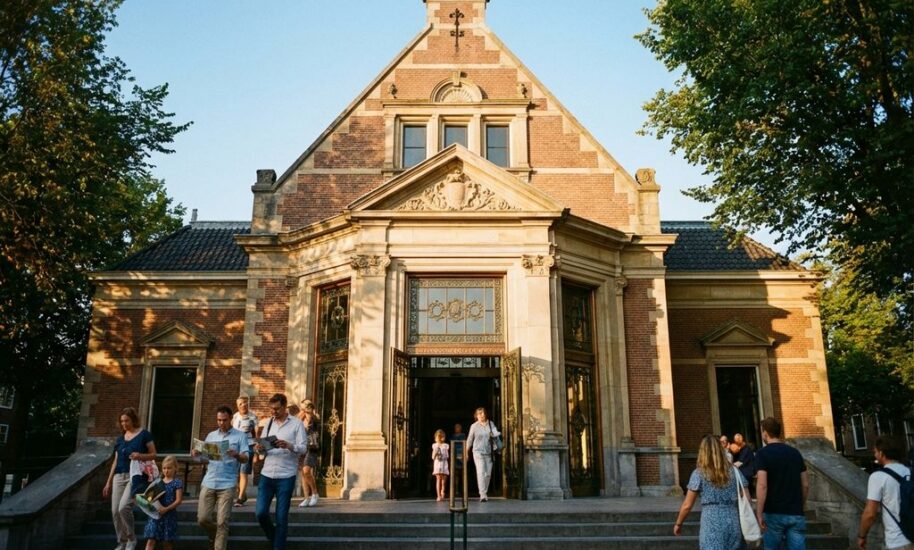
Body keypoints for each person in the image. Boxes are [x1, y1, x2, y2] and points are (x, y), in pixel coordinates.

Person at [673, 435, 749, 549]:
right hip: (733, 520)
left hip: (710, 524)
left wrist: (678, 523)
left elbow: (687, 505)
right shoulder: (734, 471)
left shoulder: (699, 473)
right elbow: (746, 497)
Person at [255, 393, 306, 550]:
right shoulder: (269, 423)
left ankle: (278, 546)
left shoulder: (297, 424)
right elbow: (263, 447)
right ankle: (274, 536)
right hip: (267, 473)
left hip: (286, 475)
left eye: (277, 409)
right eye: (271, 409)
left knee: (281, 517)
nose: (273, 412)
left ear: (285, 407)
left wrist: (289, 445)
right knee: (261, 513)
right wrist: (259, 448)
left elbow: (303, 448)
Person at [194, 405, 249, 550]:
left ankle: (219, 543)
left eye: (224, 420)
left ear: (231, 419)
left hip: (228, 483)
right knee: (202, 519)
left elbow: (246, 458)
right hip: (209, 481)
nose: (221, 423)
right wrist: (197, 455)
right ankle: (215, 533)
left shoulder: (240, 436)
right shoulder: (211, 436)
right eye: (219, 420)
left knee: (222, 521)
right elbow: (205, 460)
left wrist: (236, 454)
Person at [102, 407, 157, 550]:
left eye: (126, 420)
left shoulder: (144, 434)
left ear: (133, 419)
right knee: (115, 511)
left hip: (135, 476)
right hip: (118, 476)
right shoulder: (120, 439)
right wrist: (108, 482)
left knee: (123, 508)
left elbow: (153, 454)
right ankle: (121, 542)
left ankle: (132, 539)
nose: (124, 424)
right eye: (122, 421)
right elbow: (115, 461)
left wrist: (140, 455)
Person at [755, 417, 809, 550]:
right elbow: (806, 484)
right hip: (795, 512)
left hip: (773, 513)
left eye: (762, 432)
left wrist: (759, 513)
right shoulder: (795, 453)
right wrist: (799, 505)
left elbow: (762, 485)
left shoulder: (762, 454)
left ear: (765, 433)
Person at [857, 436, 913, 549]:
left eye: (875, 452)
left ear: (881, 453)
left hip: (897, 541)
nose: (875, 455)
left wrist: (862, 536)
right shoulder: (909, 471)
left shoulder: (878, 476)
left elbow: (870, 513)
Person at [143, 455, 183, 550]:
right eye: (164, 468)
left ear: (175, 468)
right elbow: (149, 498)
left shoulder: (177, 483)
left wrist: (166, 509)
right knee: (151, 540)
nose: (166, 471)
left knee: (167, 543)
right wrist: (145, 501)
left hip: (169, 516)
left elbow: (179, 500)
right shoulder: (158, 482)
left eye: (169, 468)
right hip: (156, 515)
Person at [466, 407, 500, 502]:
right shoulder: (474, 426)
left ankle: (484, 491)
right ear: (476, 416)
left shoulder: (490, 423)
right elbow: (469, 440)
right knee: (480, 472)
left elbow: (495, 433)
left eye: (483, 413)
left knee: (488, 474)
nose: (482, 415)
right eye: (480, 413)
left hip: (489, 452)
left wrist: (495, 434)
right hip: (478, 452)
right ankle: (483, 494)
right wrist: (466, 452)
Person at [232, 395, 258, 507]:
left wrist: (257, 448)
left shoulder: (253, 417)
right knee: (235, 472)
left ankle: (240, 498)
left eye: (245, 402)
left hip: (248, 446)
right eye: (241, 403)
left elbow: (257, 432)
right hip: (235, 446)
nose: (243, 405)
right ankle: (242, 493)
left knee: (243, 472)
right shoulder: (235, 416)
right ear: (237, 406)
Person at [297, 399, 321, 508]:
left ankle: (315, 494)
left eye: (307, 404)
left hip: (312, 448)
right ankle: (306, 498)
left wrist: (309, 413)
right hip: (301, 447)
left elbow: (314, 422)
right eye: (304, 405)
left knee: (306, 471)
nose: (306, 406)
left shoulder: (315, 417)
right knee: (302, 473)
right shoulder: (299, 419)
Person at [432, 429, 450, 501]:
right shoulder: (434, 445)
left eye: (442, 436)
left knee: (443, 480)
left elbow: (447, 456)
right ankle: (438, 495)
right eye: (439, 437)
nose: (441, 438)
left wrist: (443, 455)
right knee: (438, 479)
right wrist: (436, 452)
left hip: (444, 463)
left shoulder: (446, 446)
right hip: (437, 463)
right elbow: (433, 457)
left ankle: (443, 491)